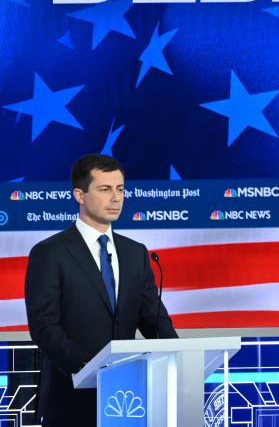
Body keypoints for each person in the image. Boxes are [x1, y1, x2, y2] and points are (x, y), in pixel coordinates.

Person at [24, 154, 177, 427]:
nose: (116, 198)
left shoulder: (135, 253)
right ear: (79, 195)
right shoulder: (50, 253)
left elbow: (153, 319)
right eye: (105, 189)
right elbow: (43, 325)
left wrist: (180, 359)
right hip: (71, 396)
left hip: (130, 398)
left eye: (120, 189)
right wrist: (87, 366)